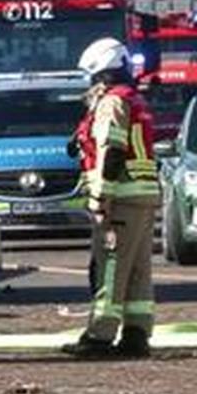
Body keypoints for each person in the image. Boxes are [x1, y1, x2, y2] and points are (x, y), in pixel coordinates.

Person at [62, 38, 161, 359]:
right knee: (137, 270)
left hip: (119, 198)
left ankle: (100, 336)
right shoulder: (134, 100)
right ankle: (136, 334)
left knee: (111, 266)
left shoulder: (112, 103)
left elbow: (112, 150)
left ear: (101, 73)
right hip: (143, 196)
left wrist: (100, 197)